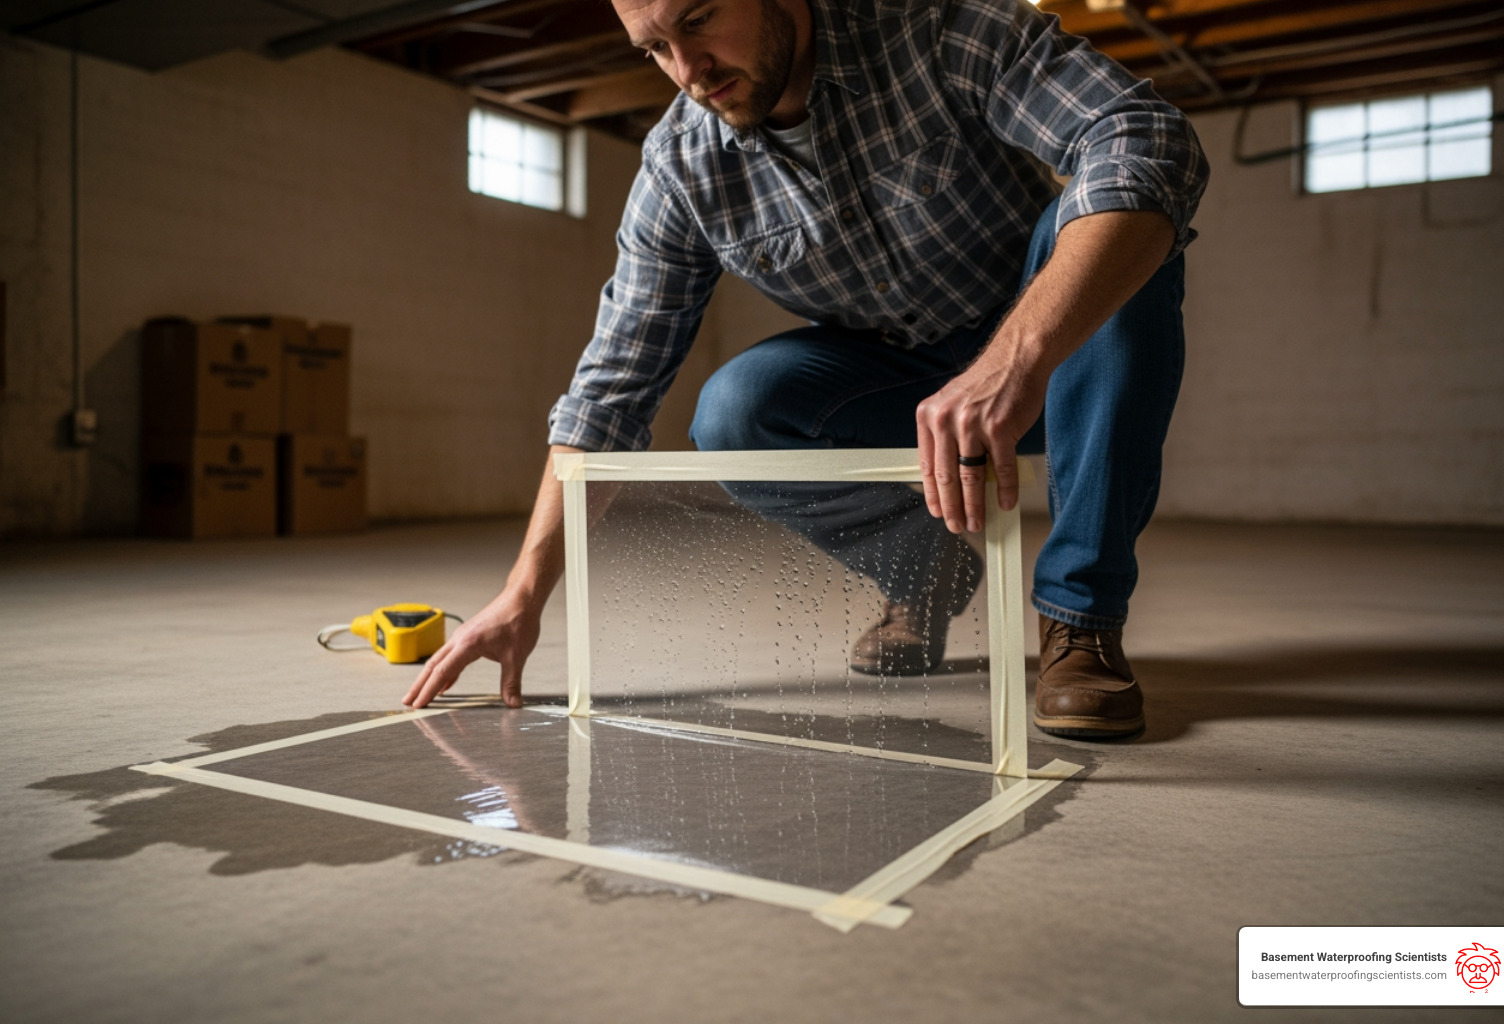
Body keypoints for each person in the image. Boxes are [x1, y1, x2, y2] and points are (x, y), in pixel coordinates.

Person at [405, 0, 1209, 739]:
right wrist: (522, 595)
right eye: (655, 48)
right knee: (736, 408)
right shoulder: (680, 167)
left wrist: (1019, 355)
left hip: (1059, 356)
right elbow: (610, 391)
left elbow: (1144, 134)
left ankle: (1081, 616)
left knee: (1125, 221)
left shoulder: (935, 29)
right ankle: (922, 578)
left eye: (699, 19)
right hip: (906, 387)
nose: (689, 69)